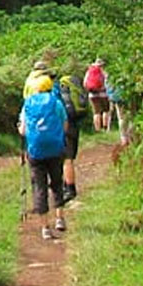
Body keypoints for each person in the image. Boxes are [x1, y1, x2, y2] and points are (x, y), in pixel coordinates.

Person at [19, 61, 69, 240]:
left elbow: (23, 130)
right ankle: (60, 219)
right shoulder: (56, 103)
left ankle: (45, 228)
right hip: (56, 149)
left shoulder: (28, 105)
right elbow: (65, 126)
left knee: (39, 187)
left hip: (35, 151)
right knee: (56, 183)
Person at [56, 69, 82, 202]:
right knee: (70, 157)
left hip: (64, 125)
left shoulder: (55, 90)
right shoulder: (71, 86)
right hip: (74, 124)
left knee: (66, 159)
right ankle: (69, 186)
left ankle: (70, 188)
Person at [84, 58, 111, 131]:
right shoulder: (104, 72)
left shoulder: (89, 71)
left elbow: (85, 83)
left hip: (92, 94)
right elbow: (108, 83)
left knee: (96, 112)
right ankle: (105, 127)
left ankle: (97, 129)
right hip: (103, 94)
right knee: (106, 110)